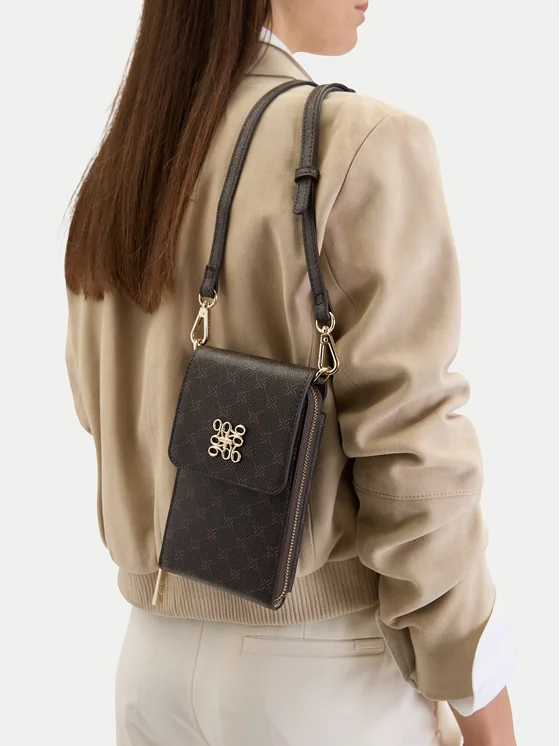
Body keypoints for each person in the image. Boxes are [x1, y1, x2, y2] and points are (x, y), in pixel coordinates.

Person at [63, 1, 518, 744]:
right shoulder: (356, 142)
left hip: (150, 665)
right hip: (318, 675)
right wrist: (480, 696)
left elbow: (98, 406)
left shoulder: (131, 158)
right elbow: (412, 449)